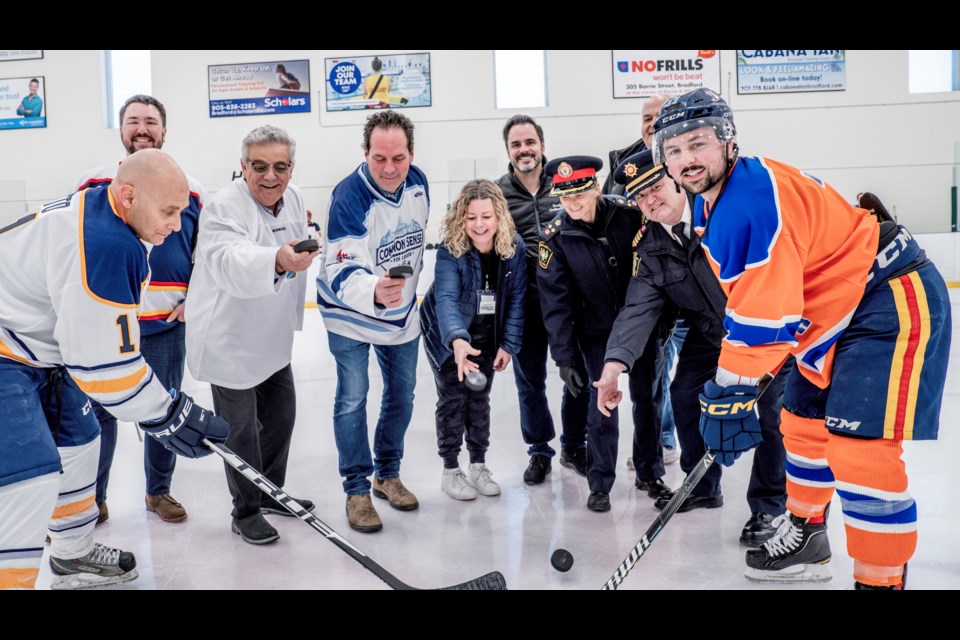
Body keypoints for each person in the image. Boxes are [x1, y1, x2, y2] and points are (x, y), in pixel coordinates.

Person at [652, 88, 951, 588]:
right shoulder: (714, 203)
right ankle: (809, 538)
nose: (687, 159)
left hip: (885, 297)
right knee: (801, 423)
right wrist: (733, 391)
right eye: (675, 149)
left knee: (861, 451)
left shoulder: (746, 201)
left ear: (728, 141)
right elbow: (765, 305)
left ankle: (880, 580)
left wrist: (729, 393)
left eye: (698, 143)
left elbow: (765, 316)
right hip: (833, 314)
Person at [0, 149, 228, 590]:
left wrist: (164, 410)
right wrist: (168, 412)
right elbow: (104, 368)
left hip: (41, 351)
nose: (177, 225)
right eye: (168, 211)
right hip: (6, 349)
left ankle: (73, 554)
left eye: (181, 212)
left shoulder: (113, 220)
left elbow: (93, 346)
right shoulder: (104, 242)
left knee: (81, 443)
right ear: (128, 195)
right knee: (30, 474)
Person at [595, 149, 791, 542]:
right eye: (640, 196)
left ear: (675, 178)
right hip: (710, 334)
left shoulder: (720, 213)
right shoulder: (649, 246)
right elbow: (638, 309)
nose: (650, 199)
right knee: (683, 394)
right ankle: (703, 485)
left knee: (769, 412)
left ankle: (770, 505)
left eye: (655, 186)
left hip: (765, 328)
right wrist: (613, 367)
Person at [74, 94, 205, 526]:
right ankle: (95, 497)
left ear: (164, 131)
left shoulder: (193, 189)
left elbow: (207, 252)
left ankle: (158, 492)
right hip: (107, 325)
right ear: (121, 131)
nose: (142, 128)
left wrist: (195, 300)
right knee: (100, 413)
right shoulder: (92, 183)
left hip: (165, 326)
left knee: (163, 411)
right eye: (134, 121)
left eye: (151, 121)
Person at [186, 125, 317, 545]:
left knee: (281, 417)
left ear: (292, 169)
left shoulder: (292, 198)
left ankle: (269, 493)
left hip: (272, 336)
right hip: (230, 340)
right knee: (240, 431)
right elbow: (231, 259)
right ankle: (244, 511)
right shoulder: (223, 207)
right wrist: (277, 260)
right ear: (243, 166)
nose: (270, 176)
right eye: (259, 166)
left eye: (280, 166)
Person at [317, 110, 428, 533]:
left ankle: (387, 474)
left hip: (400, 316)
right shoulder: (349, 195)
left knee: (402, 396)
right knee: (353, 397)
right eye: (379, 158)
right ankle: (357, 490)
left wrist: (398, 298)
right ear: (365, 153)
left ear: (410, 154)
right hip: (348, 314)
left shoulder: (418, 183)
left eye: (398, 158)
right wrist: (372, 292)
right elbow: (341, 264)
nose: (389, 168)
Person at [538, 156, 670, 512]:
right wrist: (565, 359)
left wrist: (664, 323)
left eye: (579, 193)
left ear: (596, 187)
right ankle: (600, 483)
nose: (572, 203)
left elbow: (659, 266)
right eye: (564, 197)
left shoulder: (629, 215)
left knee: (649, 400)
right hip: (595, 334)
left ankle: (650, 472)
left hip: (641, 329)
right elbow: (556, 306)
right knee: (602, 410)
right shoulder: (555, 238)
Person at [495, 115, 590, 485]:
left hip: (567, 302)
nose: (524, 149)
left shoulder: (564, 185)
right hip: (524, 304)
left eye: (530, 142)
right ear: (508, 151)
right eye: (516, 144)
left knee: (576, 374)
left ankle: (574, 445)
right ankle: (539, 451)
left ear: (542, 145)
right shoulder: (498, 194)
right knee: (529, 382)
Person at [420, 179, 526, 500]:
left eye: (486, 216)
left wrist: (509, 343)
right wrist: (456, 340)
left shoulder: (514, 248)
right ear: (460, 219)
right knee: (453, 398)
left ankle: (478, 464)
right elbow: (447, 299)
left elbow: (518, 297)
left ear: (499, 217)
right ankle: (451, 470)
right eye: (471, 217)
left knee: (479, 398)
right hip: (446, 333)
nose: (479, 225)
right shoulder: (450, 250)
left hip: (487, 333)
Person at [601, 94, 668, 197]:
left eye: (660, 116)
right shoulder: (622, 162)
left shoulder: (689, 158)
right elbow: (607, 205)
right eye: (648, 119)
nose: (653, 123)